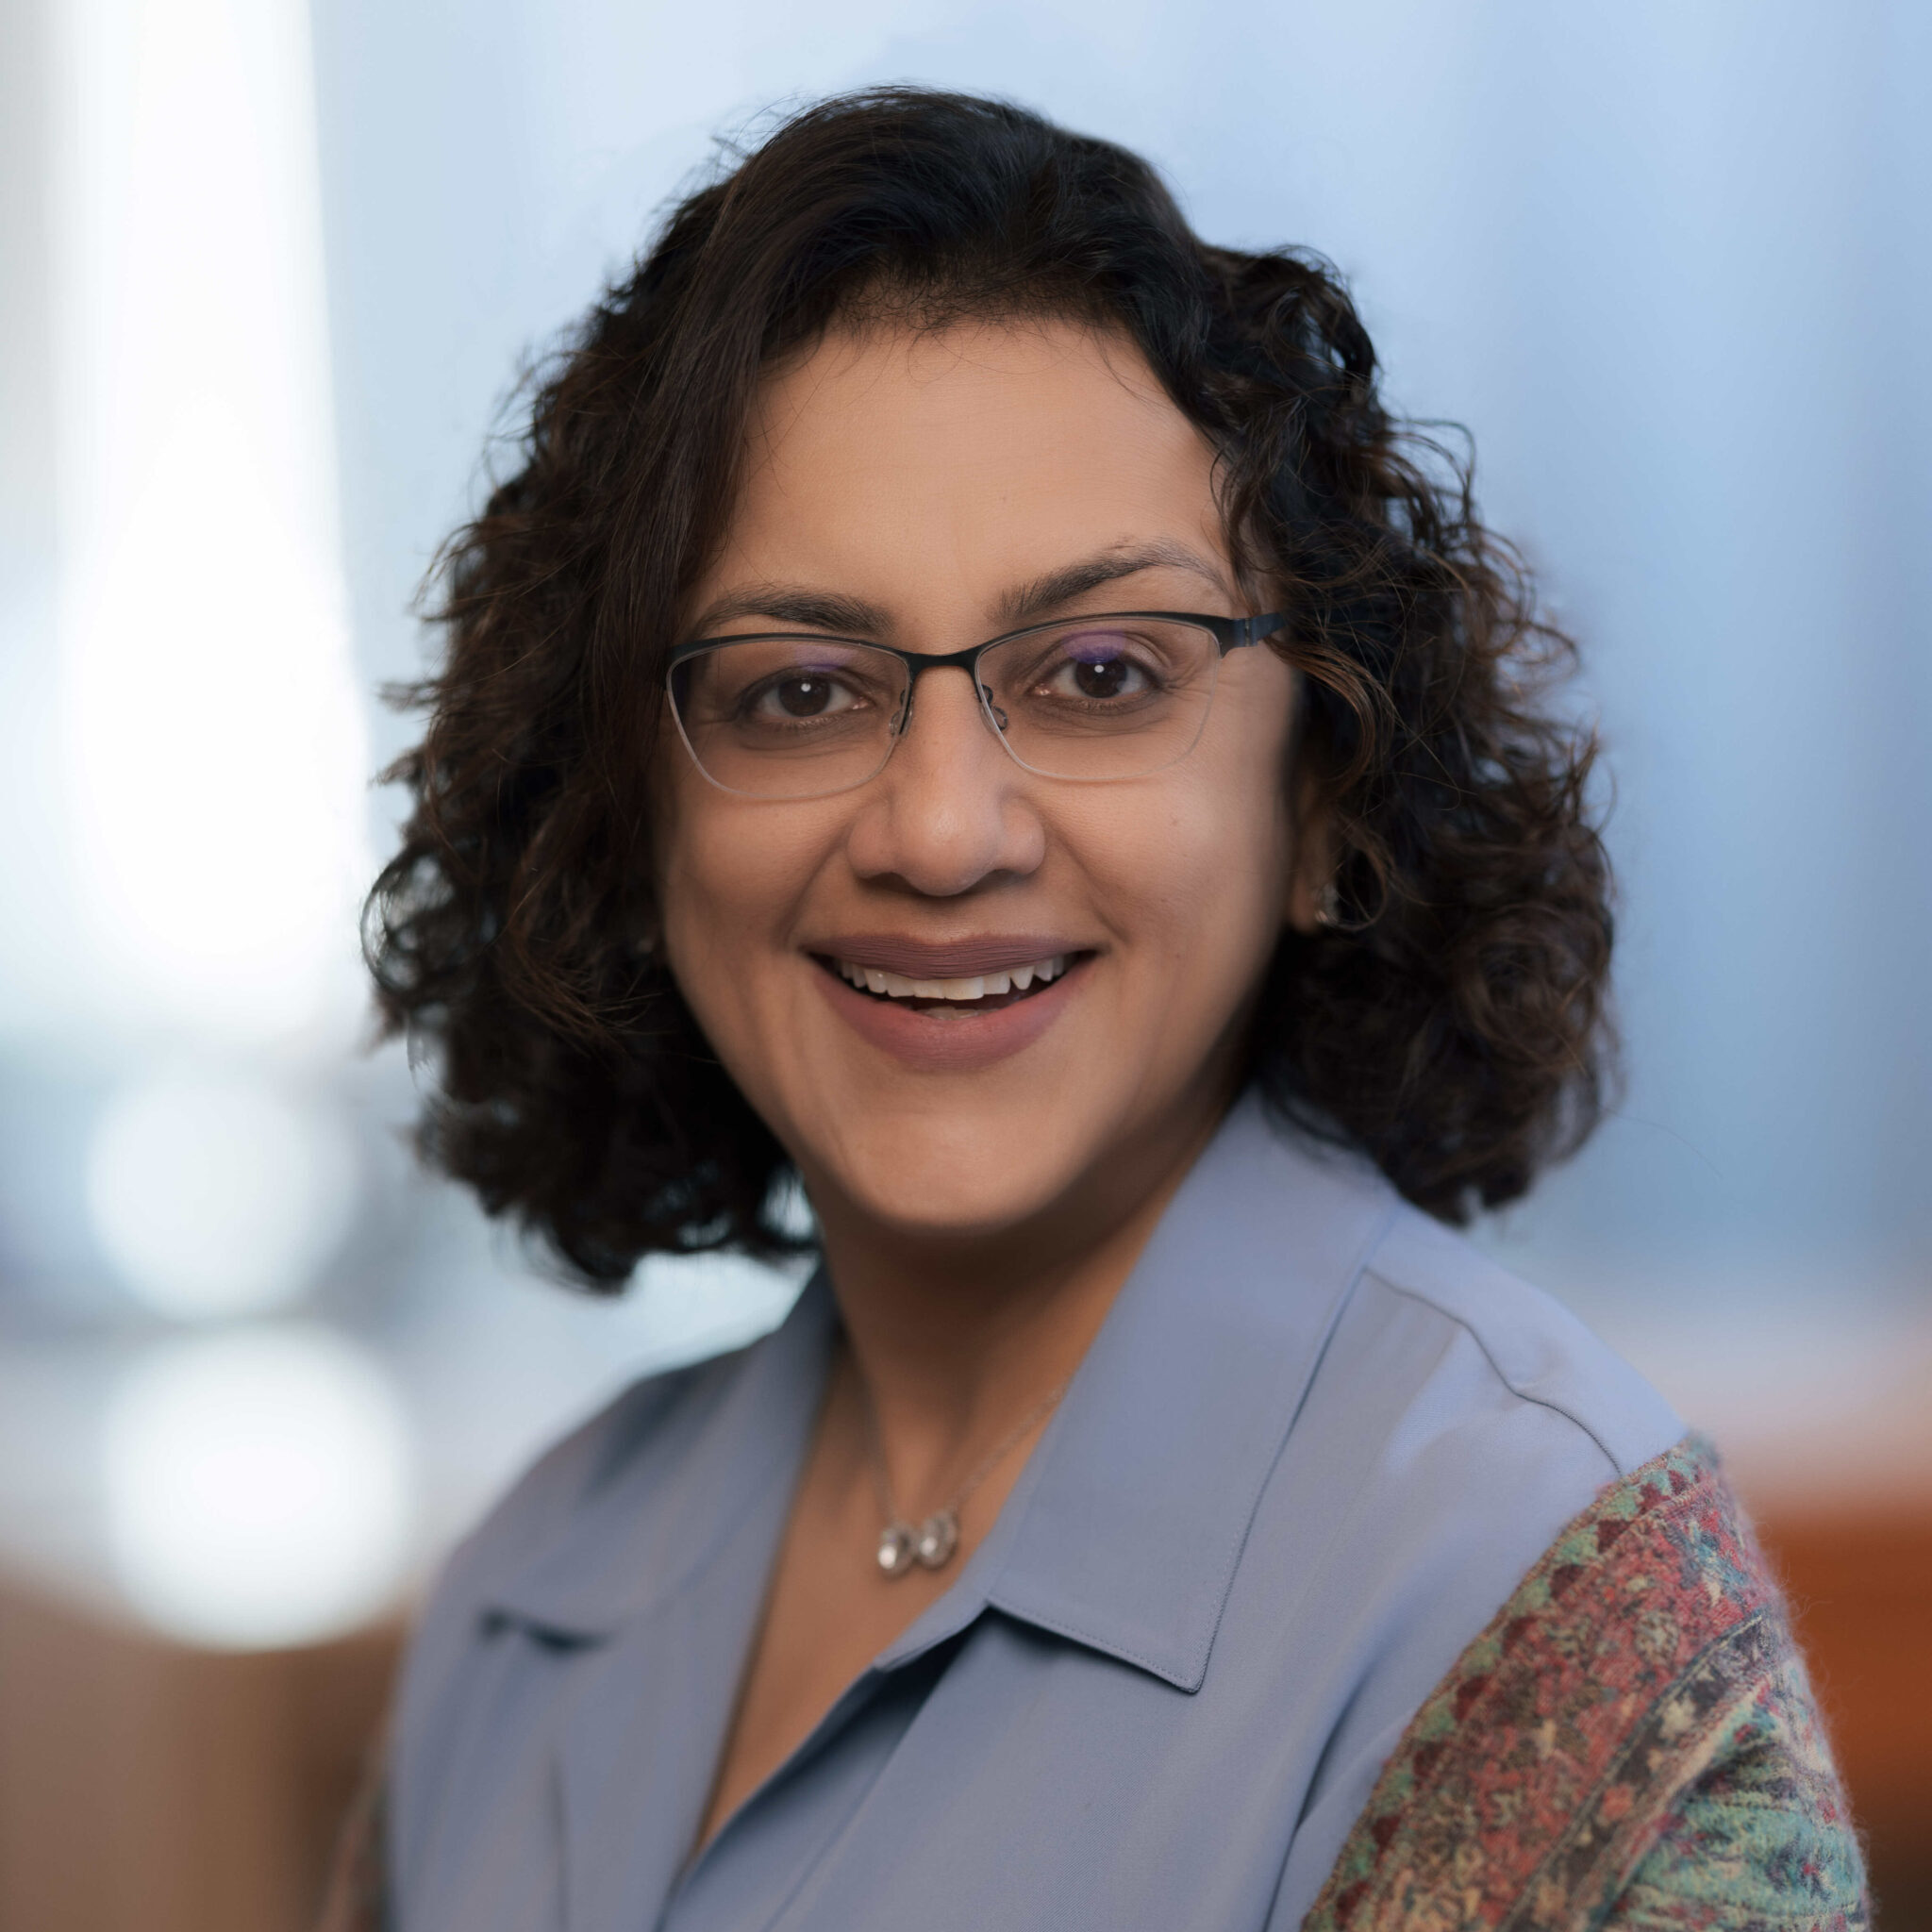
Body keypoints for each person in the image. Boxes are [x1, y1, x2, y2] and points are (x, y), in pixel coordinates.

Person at [337, 89, 1865, 1932]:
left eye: (1097, 673)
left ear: (1318, 801)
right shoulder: (528, 1594)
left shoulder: (1541, 1606)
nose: (939, 828)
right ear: (631, 821)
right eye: (800, 694)